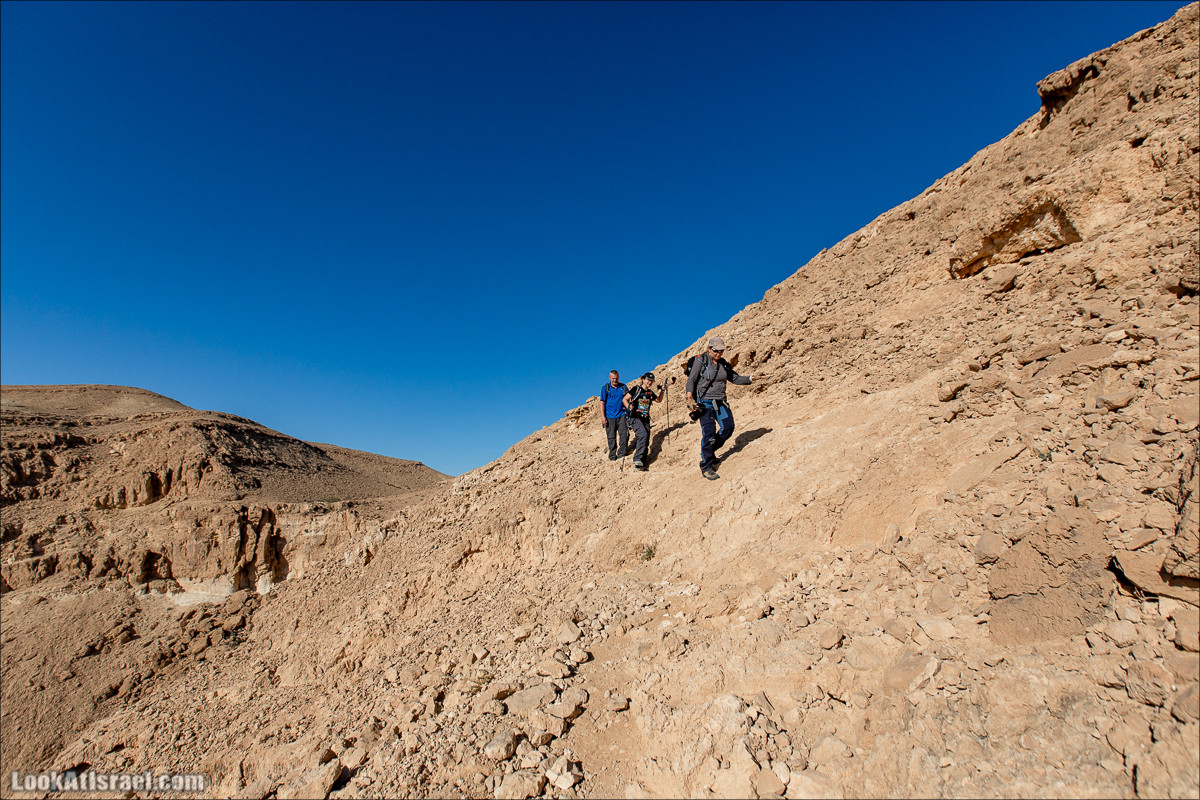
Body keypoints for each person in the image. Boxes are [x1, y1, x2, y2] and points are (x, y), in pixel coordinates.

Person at [685, 336, 754, 480]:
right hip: (705, 403)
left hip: (721, 402)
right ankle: (706, 466)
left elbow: (735, 378)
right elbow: (692, 379)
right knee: (709, 433)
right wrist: (689, 396)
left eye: (721, 351)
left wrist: (751, 378)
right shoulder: (701, 361)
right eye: (716, 351)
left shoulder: (723, 363)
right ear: (709, 348)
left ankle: (709, 451)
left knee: (728, 428)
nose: (719, 353)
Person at [623, 372, 664, 471]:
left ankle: (641, 463)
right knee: (643, 434)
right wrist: (628, 406)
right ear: (643, 379)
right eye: (648, 380)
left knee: (646, 438)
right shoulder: (636, 389)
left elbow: (658, 400)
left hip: (645, 418)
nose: (649, 382)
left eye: (651, 381)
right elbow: (625, 399)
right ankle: (637, 459)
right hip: (635, 417)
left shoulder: (649, 393)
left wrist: (663, 390)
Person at [598, 370, 629, 461]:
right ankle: (612, 455)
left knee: (624, 434)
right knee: (611, 437)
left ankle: (622, 453)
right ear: (609, 378)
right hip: (609, 416)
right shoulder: (605, 388)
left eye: (616, 378)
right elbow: (602, 402)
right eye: (613, 378)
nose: (615, 380)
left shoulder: (623, 387)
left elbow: (628, 398)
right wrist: (603, 416)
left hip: (622, 415)